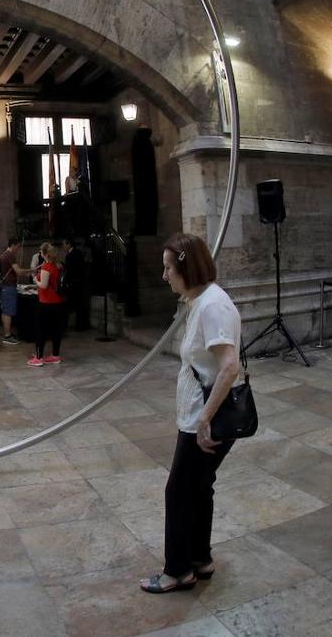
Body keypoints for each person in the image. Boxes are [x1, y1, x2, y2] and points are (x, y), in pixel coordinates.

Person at [140, 233, 241, 595]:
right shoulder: (201, 301)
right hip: (200, 416)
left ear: (186, 267)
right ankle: (200, 557)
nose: (164, 274)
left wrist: (204, 420)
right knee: (199, 488)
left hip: (205, 419)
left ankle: (177, 571)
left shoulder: (212, 306)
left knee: (178, 491)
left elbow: (230, 367)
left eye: (169, 267)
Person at [28, 242, 66, 367]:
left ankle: (38, 358)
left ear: (44, 253)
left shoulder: (46, 267)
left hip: (46, 303)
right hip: (58, 303)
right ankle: (55, 355)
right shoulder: (57, 265)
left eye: (40, 251)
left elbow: (43, 285)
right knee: (56, 330)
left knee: (40, 330)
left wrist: (35, 280)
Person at [0, 239, 25, 345]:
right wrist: (30, 270)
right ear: (13, 245)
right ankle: (7, 336)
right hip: (9, 287)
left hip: (4, 286)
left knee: (5, 312)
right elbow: (18, 271)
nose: (18, 249)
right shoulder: (10, 255)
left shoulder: (3, 255)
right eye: (17, 246)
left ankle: (7, 333)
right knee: (8, 312)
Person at [64, 238, 90, 331]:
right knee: (79, 304)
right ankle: (81, 324)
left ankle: (79, 325)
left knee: (77, 304)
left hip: (75, 282)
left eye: (64, 244)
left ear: (69, 244)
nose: (63, 246)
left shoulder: (71, 255)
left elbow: (71, 269)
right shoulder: (78, 253)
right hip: (79, 281)